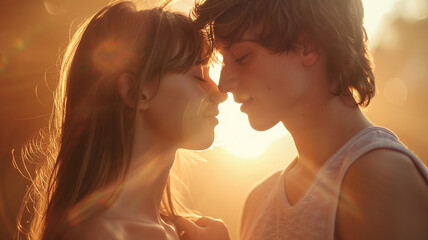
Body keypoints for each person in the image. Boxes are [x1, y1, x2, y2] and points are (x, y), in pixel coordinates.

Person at [191, 0, 428, 239]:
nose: (224, 83)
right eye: (223, 61)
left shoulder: (381, 176)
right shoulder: (258, 201)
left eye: (242, 57)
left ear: (307, 47)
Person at [16, 1, 231, 240]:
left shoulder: (182, 232)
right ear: (134, 92)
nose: (220, 93)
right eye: (199, 76)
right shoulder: (96, 235)